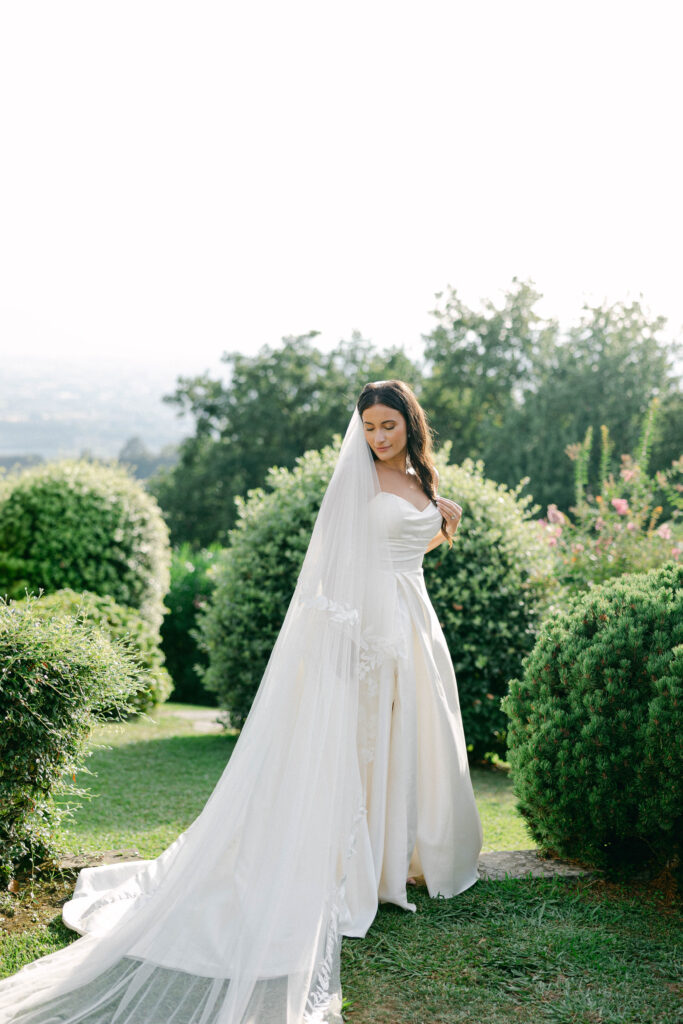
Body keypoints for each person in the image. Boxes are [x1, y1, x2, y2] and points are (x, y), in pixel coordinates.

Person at [0, 380, 483, 1024]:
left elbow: (403, 550)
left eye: (388, 425)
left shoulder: (422, 476)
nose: (377, 437)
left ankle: (405, 858)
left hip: (415, 625)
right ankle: (363, 872)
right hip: (371, 632)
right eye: (368, 426)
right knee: (365, 744)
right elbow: (340, 563)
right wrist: (353, 642)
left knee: (413, 736)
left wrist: (442, 518)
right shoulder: (357, 481)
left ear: (410, 423)